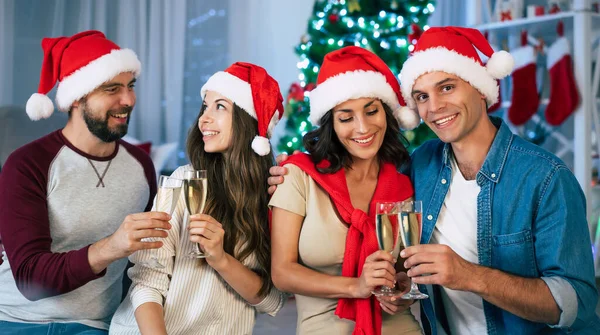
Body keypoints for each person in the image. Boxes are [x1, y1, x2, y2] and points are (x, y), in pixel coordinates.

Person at [270, 26, 600, 334]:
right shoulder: (421, 167)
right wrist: (285, 177)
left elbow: (576, 303)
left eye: (447, 87)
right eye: (422, 96)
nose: (435, 107)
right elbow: (362, 184)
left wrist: (469, 276)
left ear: (480, 89)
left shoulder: (545, 177)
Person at [0, 30, 167, 334]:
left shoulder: (141, 166)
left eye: (131, 86)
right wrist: (110, 247)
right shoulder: (27, 164)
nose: (127, 99)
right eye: (112, 88)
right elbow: (28, 277)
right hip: (17, 321)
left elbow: (142, 267)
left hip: (96, 326)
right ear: (77, 97)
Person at [109, 62, 286, 335]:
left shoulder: (273, 195)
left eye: (220, 106)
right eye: (205, 106)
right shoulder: (183, 181)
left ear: (248, 120)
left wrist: (221, 259)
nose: (203, 118)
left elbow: (272, 300)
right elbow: (146, 281)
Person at [269, 46, 423, 335]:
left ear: (386, 113)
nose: (362, 127)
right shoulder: (297, 176)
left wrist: (399, 291)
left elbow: (401, 274)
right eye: (346, 117)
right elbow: (282, 273)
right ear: (331, 123)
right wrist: (357, 286)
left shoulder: (401, 186)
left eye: (371, 111)